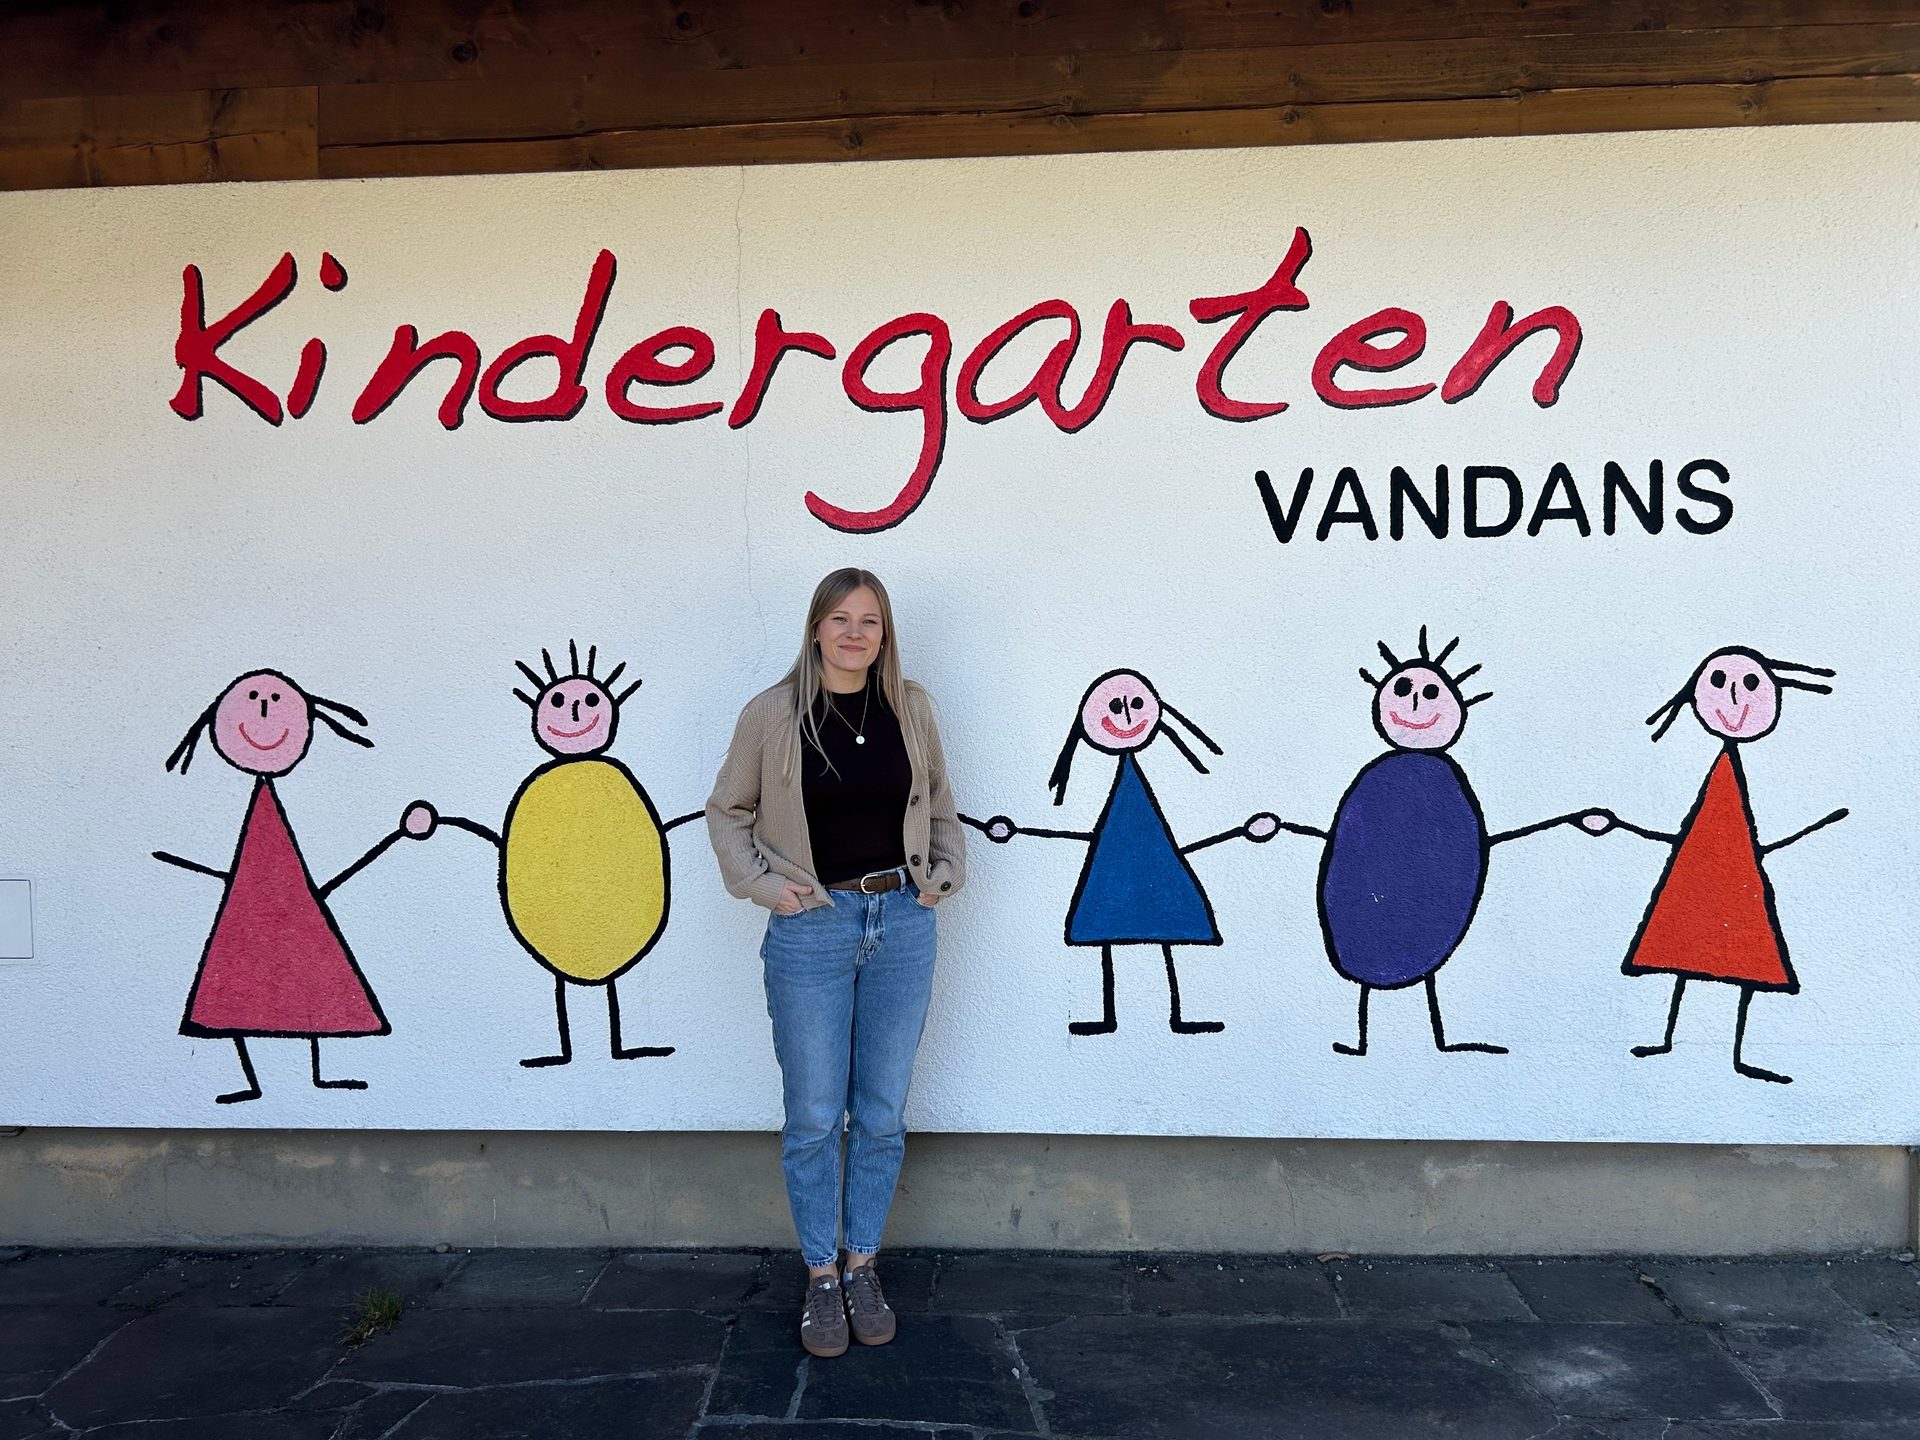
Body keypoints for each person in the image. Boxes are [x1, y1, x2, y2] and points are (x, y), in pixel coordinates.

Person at [706, 568, 964, 1357]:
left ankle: (863, 1265)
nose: (856, 634)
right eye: (841, 619)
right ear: (816, 627)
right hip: (813, 928)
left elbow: (942, 803)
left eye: (871, 622)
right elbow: (728, 810)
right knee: (816, 1115)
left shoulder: (911, 708)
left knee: (881, 1112)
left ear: (885, 635)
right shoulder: (773, 714)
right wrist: (764, 888)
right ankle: (821, 1275)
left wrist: (941, 876)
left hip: (901, 923)